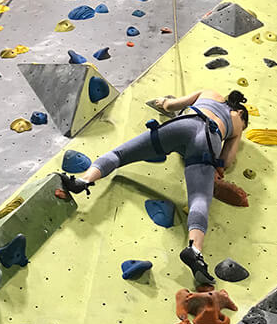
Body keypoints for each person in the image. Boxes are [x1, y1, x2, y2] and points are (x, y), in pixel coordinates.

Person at [60, 89, 249, 284]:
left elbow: (170, 105)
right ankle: (195, 250)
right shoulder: (237, 125)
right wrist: (215, 162)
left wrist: (162, 102)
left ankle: (83, 180)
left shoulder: (210, 93)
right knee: (199, 199)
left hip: (183, 125)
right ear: (242, 114)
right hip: (208, 140)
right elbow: (226, 160)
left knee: (120, 155)